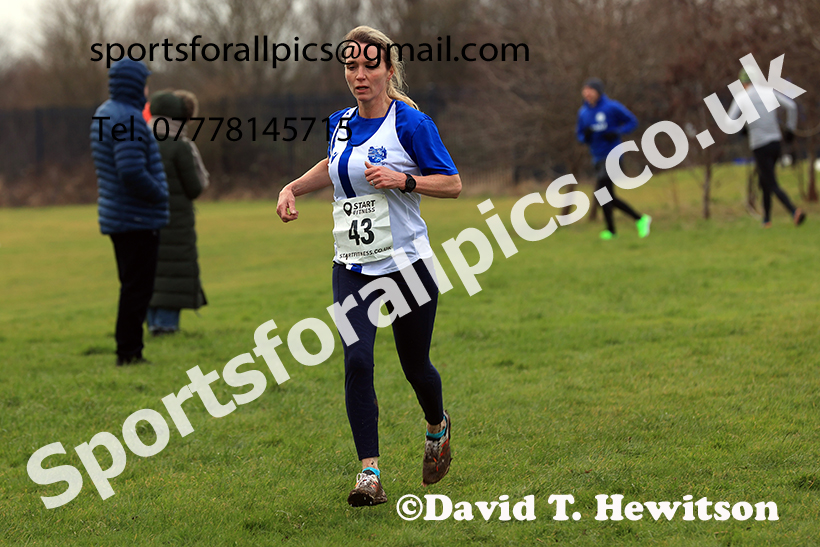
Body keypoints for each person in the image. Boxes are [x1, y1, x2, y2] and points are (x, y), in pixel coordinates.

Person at [276, 26, 461, 507]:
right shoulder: (338, 122)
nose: (359, 75)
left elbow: (453, 183)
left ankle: (437, 425)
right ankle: (369, 474)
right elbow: (333, 164)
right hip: (352, 265)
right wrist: (292, 188)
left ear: (387, 69)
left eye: (369, 66)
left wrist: (404, 180)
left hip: (407, 266)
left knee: (415, 366)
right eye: (351, 66)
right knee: (357, 361)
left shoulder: (412, 125)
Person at [90, 59, 168, 366]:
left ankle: (129, 349)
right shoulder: (129, 118)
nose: (148, 88)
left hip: (118, 213)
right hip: (135, 217)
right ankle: (129, 353)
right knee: (137, 288)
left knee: (131, 285)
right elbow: (132, 171)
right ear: (135, 84)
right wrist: (161, 194)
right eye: (145, 81)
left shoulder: (105, 112)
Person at [146, 90, 209, 335]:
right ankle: (166, 324)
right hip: (176, 219)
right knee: (174, 268)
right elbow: (194, 187)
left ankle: (152, 321)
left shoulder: (139, 140)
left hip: (143, 218)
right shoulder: (180, 147)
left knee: (151, 268)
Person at [576, 78, 651, 240]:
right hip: (597, 157)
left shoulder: (612, 107)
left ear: (598, 92)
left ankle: (637, 221)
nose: (587, 93)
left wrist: (617, 132)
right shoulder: (583, 112)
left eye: (590, 90)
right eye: (585, 90)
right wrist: (585, 136)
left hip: (613, 155)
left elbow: (633, 122)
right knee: (605, 195)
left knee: (602, 193)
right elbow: (580, 135)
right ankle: (614, 229)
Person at [729, 68, 805, 228]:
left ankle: (794, 211)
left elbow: (730, 121)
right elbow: (791, 106)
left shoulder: (742, 97)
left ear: (743, 83)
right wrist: (790, 130)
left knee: (770, 183)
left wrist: (743, 127)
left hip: (760, 145)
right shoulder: (769, 92)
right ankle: (767, 220)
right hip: (776, 143)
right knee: (765, 181)